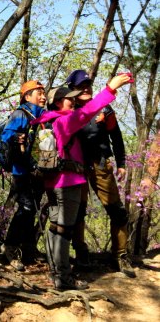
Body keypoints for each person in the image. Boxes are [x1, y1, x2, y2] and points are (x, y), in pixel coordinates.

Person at [31, 73, 131, 290]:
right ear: (59, 101)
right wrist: (110, 89)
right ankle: (65, 275)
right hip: (68, 181)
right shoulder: (66, 120)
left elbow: (113, 135)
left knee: (57, 227)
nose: (76, 98)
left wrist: (120, 160)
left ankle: (57, 272)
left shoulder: (48, 119)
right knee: (65, 228)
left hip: (60, 179)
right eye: (71, 96)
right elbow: (85, 114)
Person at [66, 69, 135, 277]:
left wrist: (121, 162)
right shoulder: (67, 110)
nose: (86, 88)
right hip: (76, 167)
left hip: (100, 165)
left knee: (117, 211)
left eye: (88, 84)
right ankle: (81, 254)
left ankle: (120, 256)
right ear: (72, 90)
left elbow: (116, 136)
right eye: (81, 86)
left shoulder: (105, 108)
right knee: (78, 212)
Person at [0, 80, 46, 271]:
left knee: (31, 209)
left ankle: (27, 251)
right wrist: (16, 138)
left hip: (38, 171)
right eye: (39, 93)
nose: (43, 97)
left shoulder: (42, 115)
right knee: (26, 208)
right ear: (28, 97)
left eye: (44, 93)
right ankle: (10, 247)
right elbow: (5, 137)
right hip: (22, 171)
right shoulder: (20, 114)